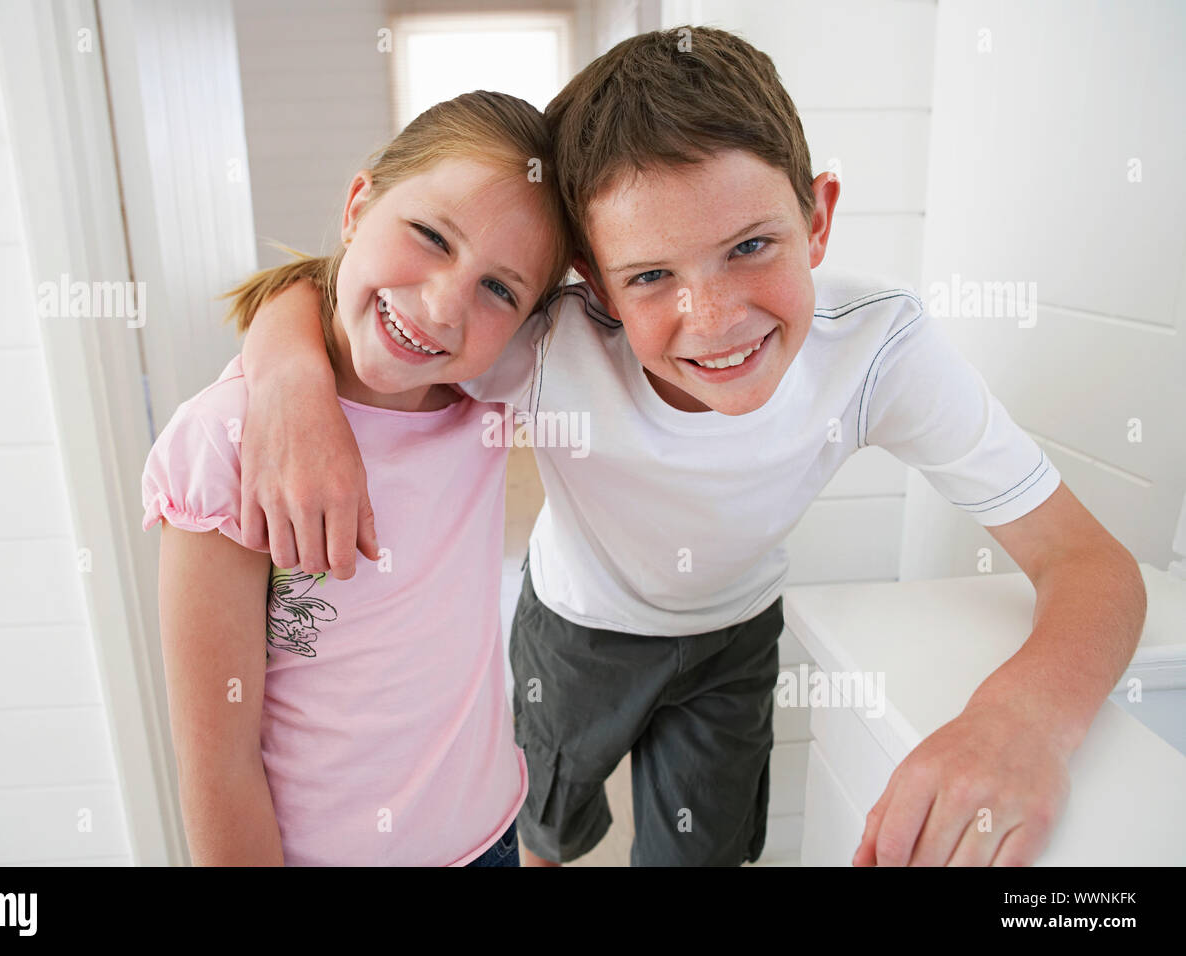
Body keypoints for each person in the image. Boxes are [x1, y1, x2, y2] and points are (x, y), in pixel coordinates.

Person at [232, 28, 1146, 867]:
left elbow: (1089, 561)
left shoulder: (882, 351)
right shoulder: (546, 336)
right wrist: (286, 380)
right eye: (651, 276)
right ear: (592, 284)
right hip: (575, 635)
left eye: (751, 245)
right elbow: (351, 295)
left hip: (733, 639)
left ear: (819, 219)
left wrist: (1021, 722)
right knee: (542, 833)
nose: (713, 320)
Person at [140, 90, 573, 866]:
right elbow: (218, 768)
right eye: (431, 235)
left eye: (499, 289)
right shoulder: (223, 443)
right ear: (356, 206)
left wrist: (290, 369)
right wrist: (287, 381)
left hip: (490, 839)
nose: (443, 306)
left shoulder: (486, 395)